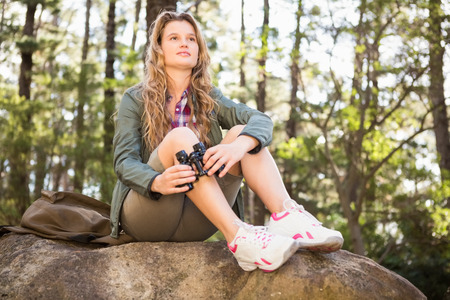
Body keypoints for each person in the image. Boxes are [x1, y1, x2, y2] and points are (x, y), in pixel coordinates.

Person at [110, 11, 343, 272]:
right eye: (174, 38)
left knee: (243, 132)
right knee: (182, 137)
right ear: (159, 49)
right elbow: (123, 162)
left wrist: (238, 145)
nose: (184, 43)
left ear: (199, 52)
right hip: (149, 212)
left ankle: (286, 216)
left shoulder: (210, 97)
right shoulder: (135, 98)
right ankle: (239, 236)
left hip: (198, 218)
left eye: (191, 39)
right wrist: (155, 181)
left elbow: (261, 120)